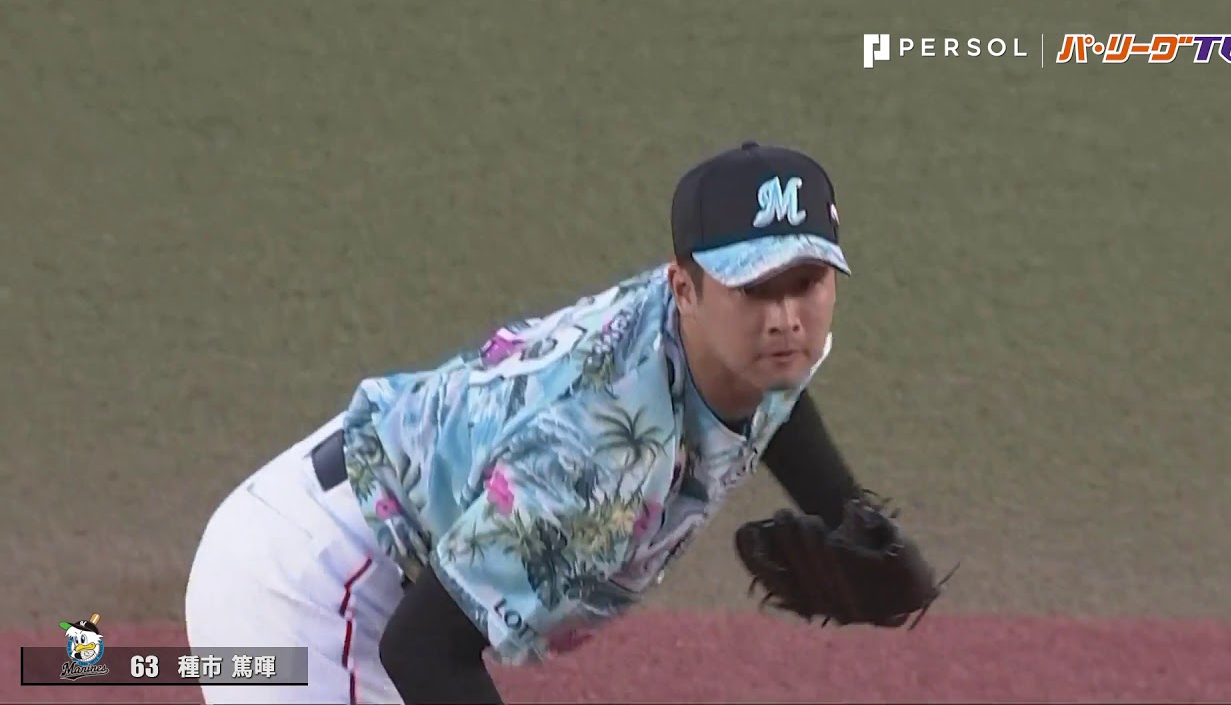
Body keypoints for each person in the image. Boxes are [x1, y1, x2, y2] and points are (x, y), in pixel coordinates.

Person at [184, 141, 866, 704]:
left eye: (805, 281)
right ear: (686, 288)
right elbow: (425, 652)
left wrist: (852, 519)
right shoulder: (593, 461)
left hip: (367, 536)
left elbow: (775, 396)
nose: (786, 318)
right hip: (306, 597)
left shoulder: (748, 343)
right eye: (754, 287)